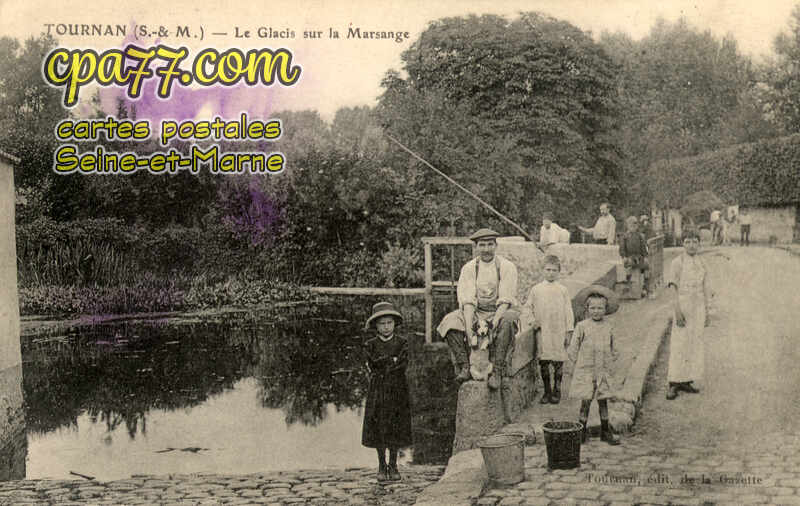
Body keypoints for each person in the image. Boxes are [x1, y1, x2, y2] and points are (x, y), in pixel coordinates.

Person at [437, 228, 520, 390]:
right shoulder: (469, 268)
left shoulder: (507, 267)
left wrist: (493, 324)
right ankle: (465, 366)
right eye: (482, 245)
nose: (486, 249)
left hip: (499, 311)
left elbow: (505, 299)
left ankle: (497, 370)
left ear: (496, 246)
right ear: (476, 247)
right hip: (475, 312)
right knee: (449, 321)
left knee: (509, 320)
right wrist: (469, 329)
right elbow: (468, 302)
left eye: (490, 244)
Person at [361, 301, 413, 482]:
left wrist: (386, 363)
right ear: (375, 325)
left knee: (395, 426)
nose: (386, 327)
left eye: (389, 323)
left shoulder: (402, 342)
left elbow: (402, 364)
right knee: (380, 426)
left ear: (394, 323)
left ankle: (393, 464)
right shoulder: (370, 344)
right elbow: (373, 364)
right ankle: (382, 465)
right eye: (382, 323)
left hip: (397, 390)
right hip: (378, 391)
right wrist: (391, 360)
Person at [568, 285, 621, 445]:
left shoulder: (609, 327)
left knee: (603, 400)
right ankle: (581, 431)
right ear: (587, 309)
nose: (596, 311)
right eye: (593, 308)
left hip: (603, 370)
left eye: (600, 308)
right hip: (586, 369)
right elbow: (573, 347)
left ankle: (605, 431)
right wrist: (575, 364)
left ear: (605, 309)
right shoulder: (582, 326)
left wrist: (610, 362)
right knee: (585, 401)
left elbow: (615, 348)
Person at [665, 228, 711, 400]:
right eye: (688, 242)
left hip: (698, 306)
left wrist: (707, 311)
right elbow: (673, 287)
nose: (691, 245)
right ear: (682, 243)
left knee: (694, 342)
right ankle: (674, 382)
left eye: (695, 242)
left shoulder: (702, 263)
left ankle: (687, 379)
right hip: (683, 305)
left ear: (699, 244)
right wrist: (677, 310)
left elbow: (706, 288)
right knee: (680, 342)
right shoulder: (677, 263)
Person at [523, 254, 573, 404]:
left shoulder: (562, 290)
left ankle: (557, 389)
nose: (551, 273)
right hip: (543, 331)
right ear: (542, 270)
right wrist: (532, 321)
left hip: (558, 329)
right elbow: (527, 308)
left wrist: (568, 331)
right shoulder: (536, 289)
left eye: (554, 270)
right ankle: (547, 391)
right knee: (544, 361)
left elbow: (568, 311)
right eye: (548, 270)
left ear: (559, 271)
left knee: (558, 362)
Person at [619, 216, 651, 298]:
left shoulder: (640, 236)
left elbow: (643, 248)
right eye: (631, 225)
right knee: (629, 266)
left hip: (639, 257)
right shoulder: (624, 236)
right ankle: (628, 284)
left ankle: (645, 287)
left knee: (647, 266)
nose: (633, 227)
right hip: (630, 257)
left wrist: (645, 257)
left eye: (635, 225)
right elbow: (622, 248)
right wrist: (624, 257)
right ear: (628, 226)